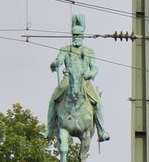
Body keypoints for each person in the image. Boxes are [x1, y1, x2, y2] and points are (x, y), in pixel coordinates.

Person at [45, 13, 110, 142]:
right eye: (74, 35)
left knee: (98, 103)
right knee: (53, 100)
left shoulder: (88, 51)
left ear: (82, 36)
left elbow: (94, 68)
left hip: (84, 81)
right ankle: (49, 129)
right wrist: (55, 63)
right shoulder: (65, 49)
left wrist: (89, 74)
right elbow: (58, 60)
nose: (76, 38)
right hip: (68, 79)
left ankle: (102, 131)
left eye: (79, 35)